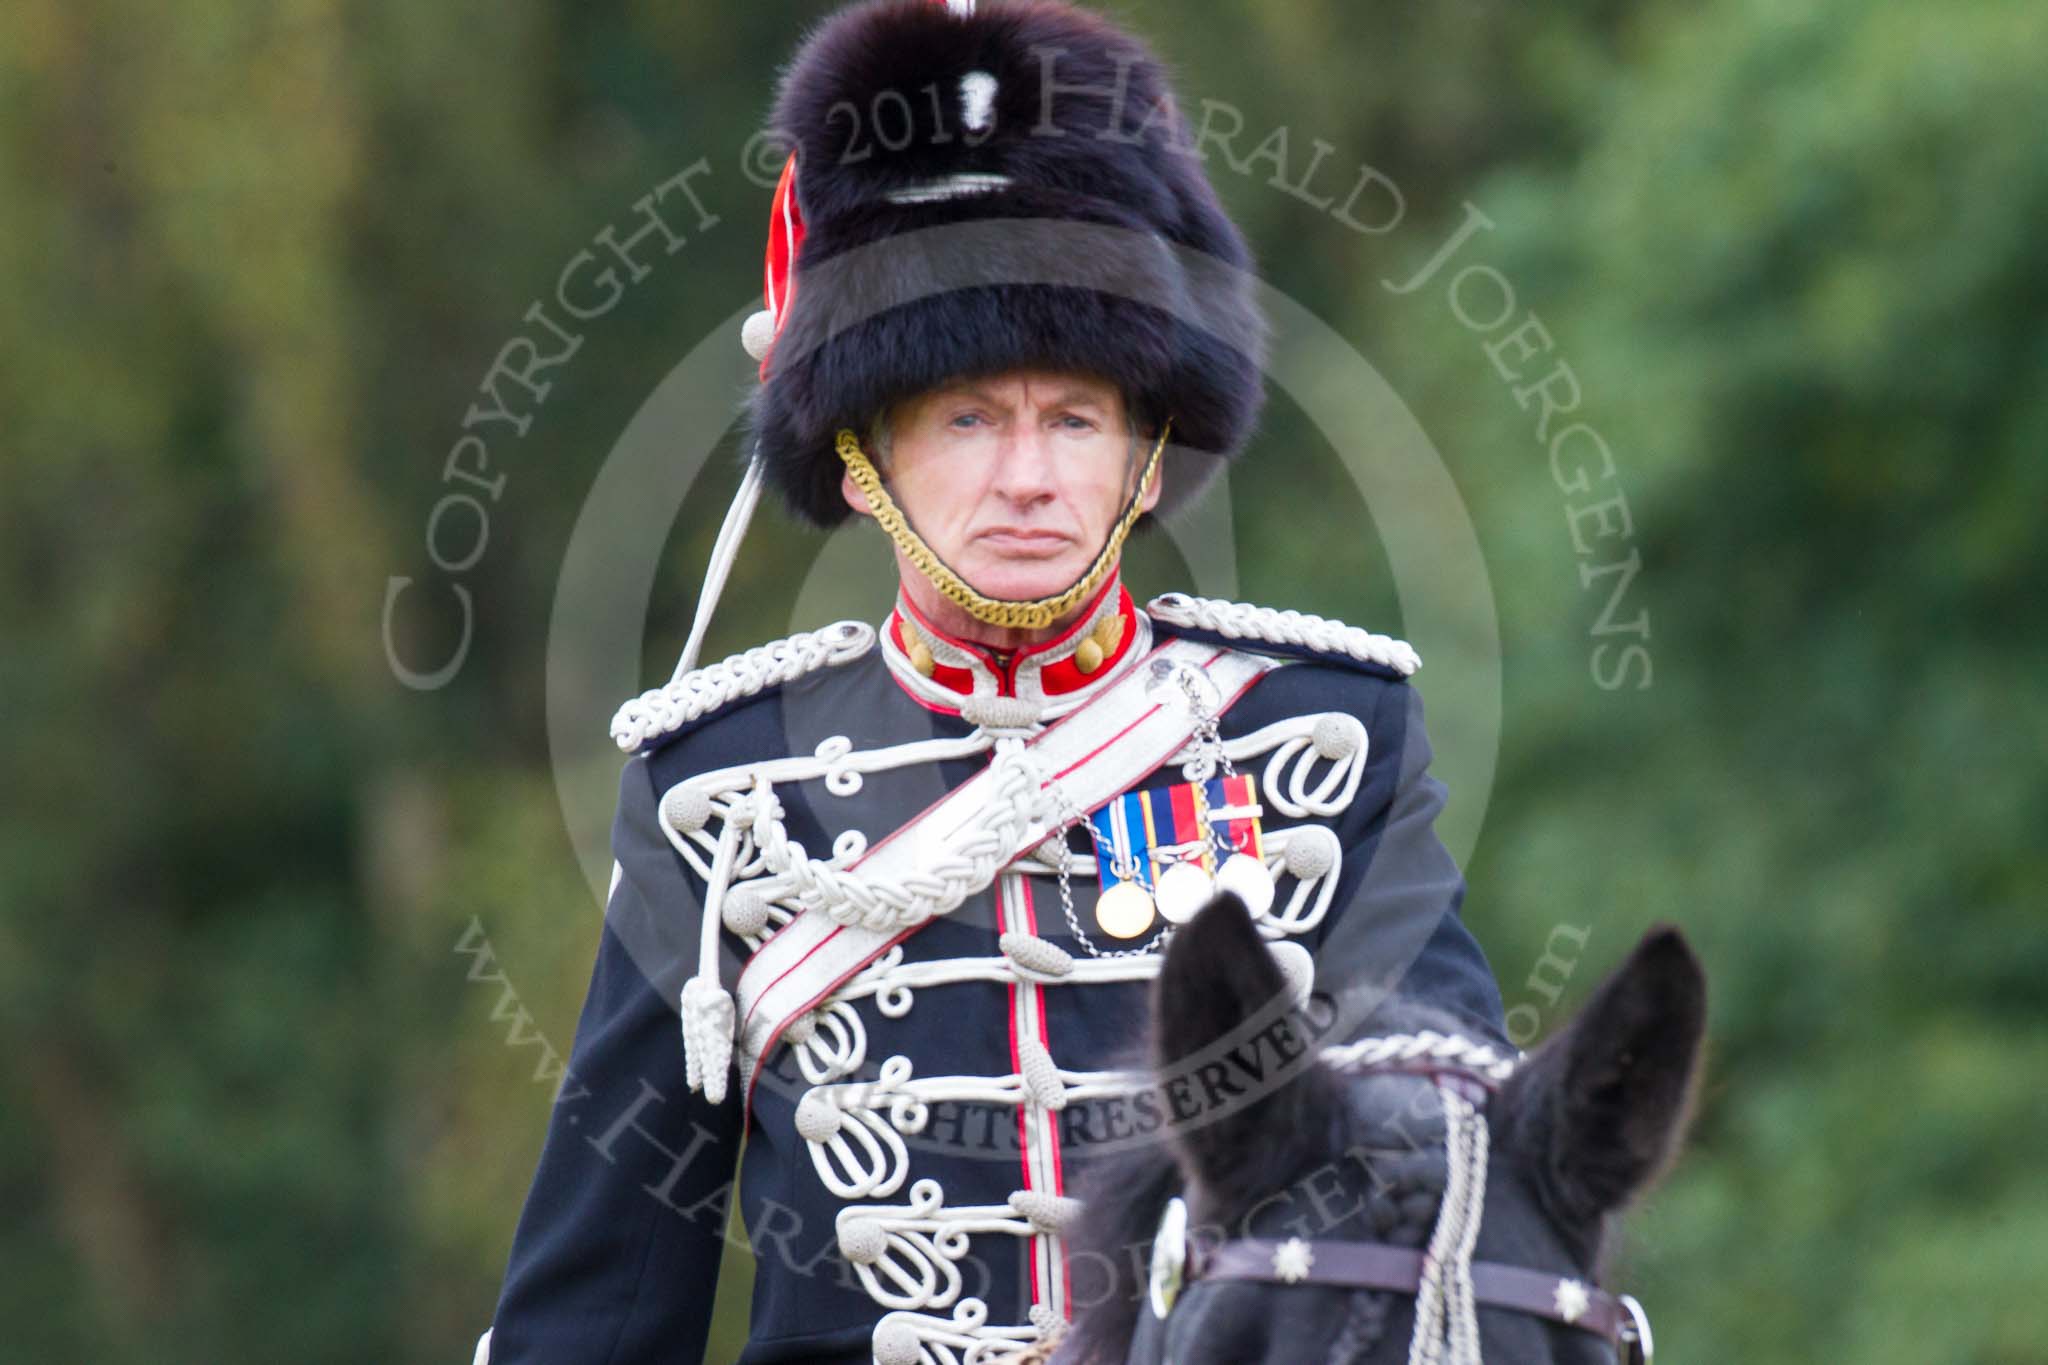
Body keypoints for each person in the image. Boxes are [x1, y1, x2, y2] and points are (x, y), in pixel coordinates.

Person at [476, 1, 1504, 1361]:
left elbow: (1459, 1194)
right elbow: (602, 1303)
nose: (1028, 477)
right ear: (861, 460)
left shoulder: (1324, 736)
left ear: (1148, 454)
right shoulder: (713, 800)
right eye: (967, 418)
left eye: (1074, 419)